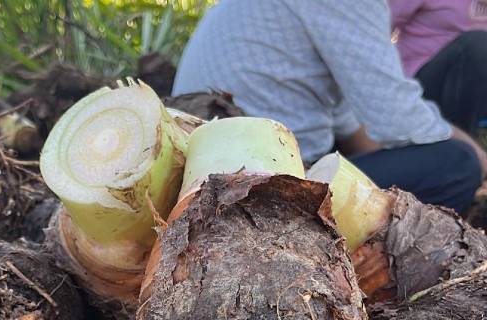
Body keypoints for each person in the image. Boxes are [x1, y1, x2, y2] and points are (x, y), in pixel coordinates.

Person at [173, 0, 486, 214]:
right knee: (457, 166)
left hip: (214, 168)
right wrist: (477, 157)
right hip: (254, 187)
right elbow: (399, 121)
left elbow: (348, 121)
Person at [391, 0, 487, 135]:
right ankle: (460, 144)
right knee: (477, 43)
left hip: (476, 87)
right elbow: (378, 28)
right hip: (421, 80)